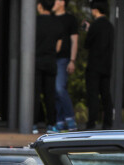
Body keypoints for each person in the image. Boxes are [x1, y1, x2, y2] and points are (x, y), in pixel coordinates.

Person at [34, 0, 63, 133]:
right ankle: (51, 124)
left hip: (36, 61)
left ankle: (33, 123)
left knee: (35, 93)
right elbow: (58, 47)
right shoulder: (57, 23)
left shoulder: (34, 22)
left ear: (40, 6)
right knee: (49, 94)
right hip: (51, 61)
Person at [84, 1, 114, 130]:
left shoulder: (95, 26)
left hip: (94, 65)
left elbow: (87, 44)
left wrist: (88, 30)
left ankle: (92, 123)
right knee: (106, 94)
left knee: (93, 95)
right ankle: (107, 123)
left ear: (95, 9)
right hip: (106, 65)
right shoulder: (110, 26)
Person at [52, 0, 79, 131]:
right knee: (55, 91)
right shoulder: (50, 18)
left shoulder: (70, 19)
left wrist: (72, 60)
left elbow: (74, 41)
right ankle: (60, 121)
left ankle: (70, 118)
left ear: (62, 2)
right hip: (50, 59)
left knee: (59, 88)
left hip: (63, 59)